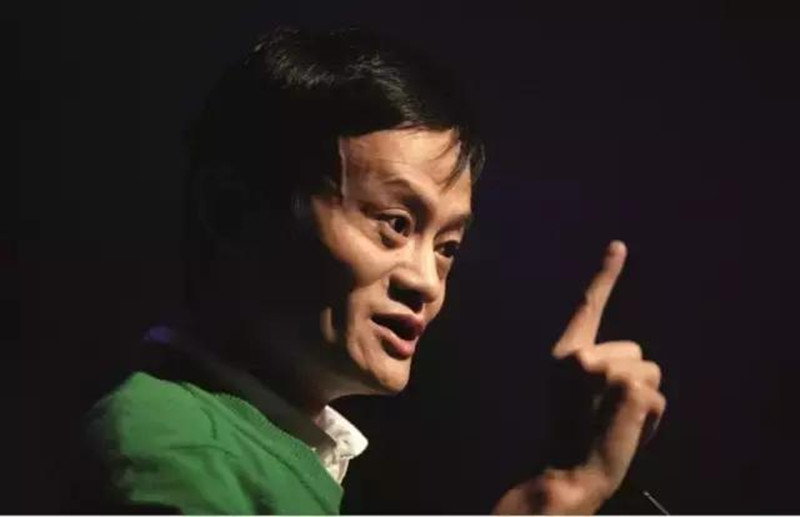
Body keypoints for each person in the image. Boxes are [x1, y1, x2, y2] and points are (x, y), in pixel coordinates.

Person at [78, 26, 666, 514]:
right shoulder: (174, 451)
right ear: (230, 210)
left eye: (447, 247)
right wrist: (557, 495)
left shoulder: (267, 452)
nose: (426, 282)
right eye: (395, 223)